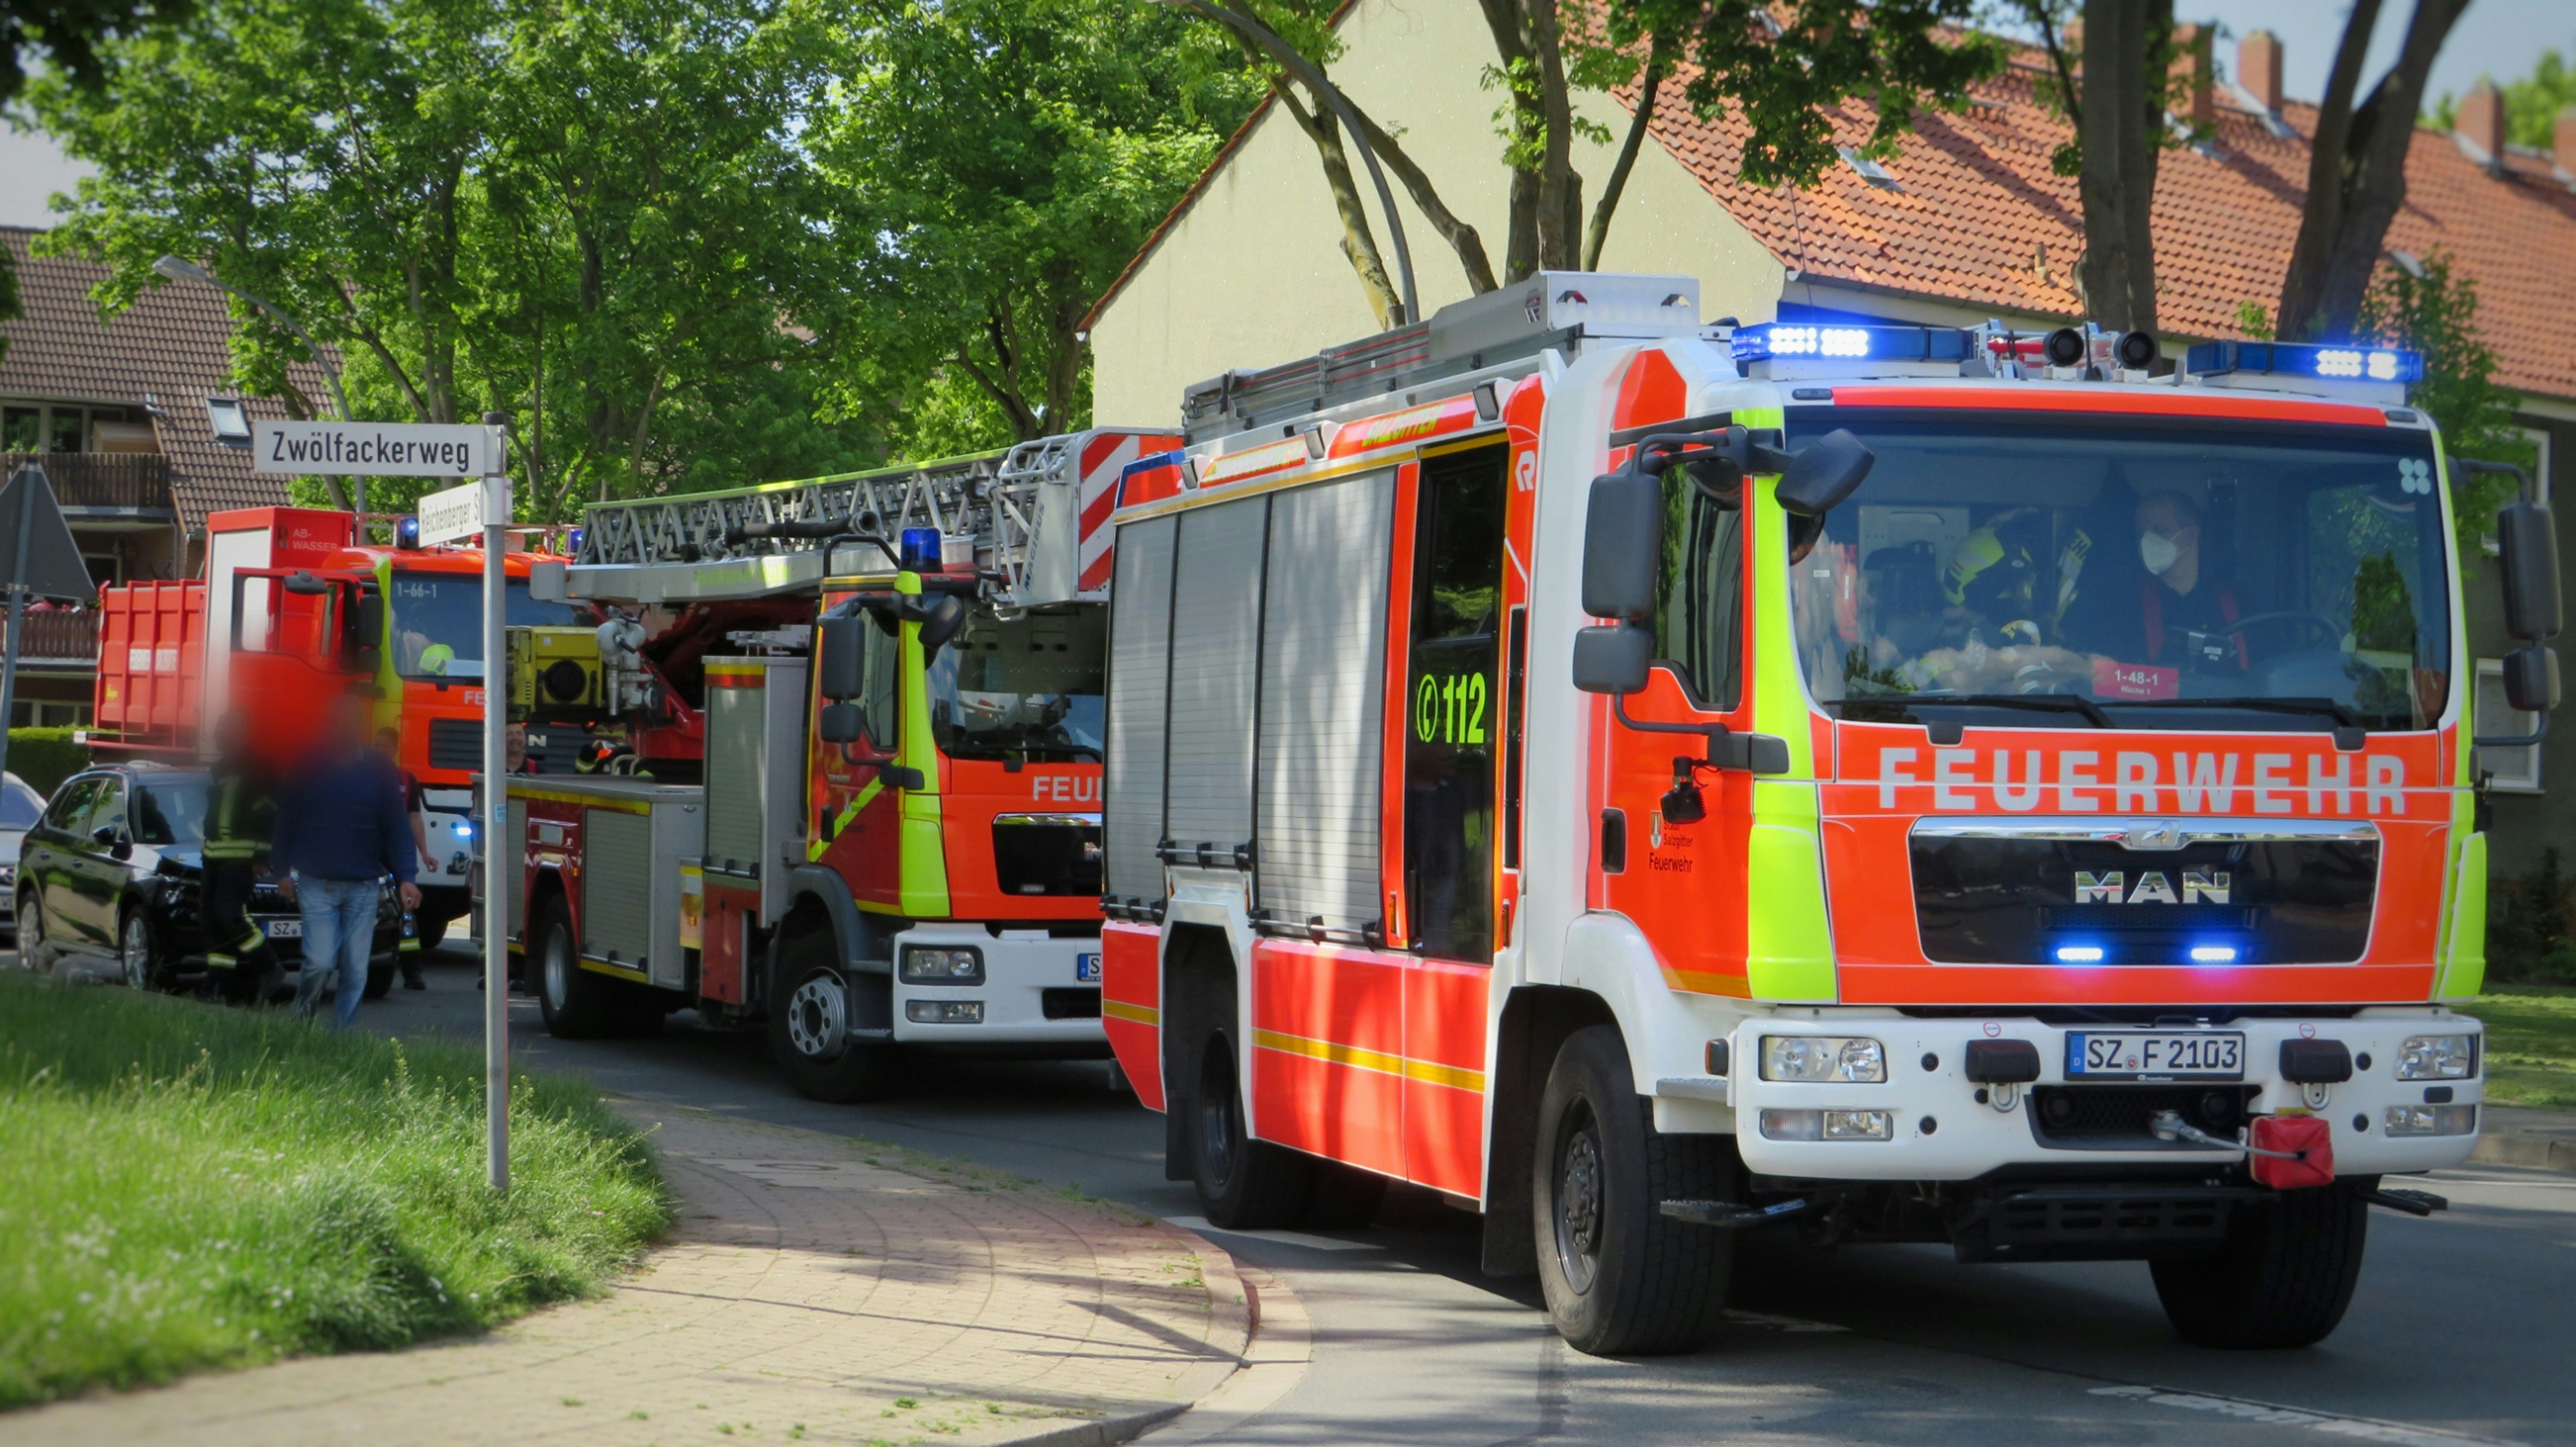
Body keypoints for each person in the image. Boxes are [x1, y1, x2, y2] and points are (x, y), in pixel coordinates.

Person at [272, 693, 419, 1026]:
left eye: (353, 720)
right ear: (328, 724)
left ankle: (343, 1037)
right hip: (317, 884)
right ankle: (302, 1020)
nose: (346, 726)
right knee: (321, 963)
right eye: (339, 720)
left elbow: (397, 825)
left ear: (361, 725)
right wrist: (281, 870)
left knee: (356, 969)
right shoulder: (307, 764)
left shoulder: (380, 768)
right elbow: (286, 818)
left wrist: (407, 876)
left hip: (364, 887)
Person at [200, 711, 282, 1005]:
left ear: (240, 733)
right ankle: (217, 986)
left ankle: (270, 967)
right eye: (219, 730)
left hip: (242, 858)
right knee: (212, 920)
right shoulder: (220, 767)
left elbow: (269, 815)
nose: (220, 736)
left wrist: (261, 856)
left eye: (227, 731)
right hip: (214, 856)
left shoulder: (261, 767)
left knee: (229, 915)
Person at [374, 725, 432, 991]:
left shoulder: (408, 780)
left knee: (407, 914)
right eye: (377, 745)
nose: (381, 750)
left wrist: (424, 852)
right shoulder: (363, 777)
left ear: (395, 749)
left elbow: (415, 818)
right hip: (369, 857)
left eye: (386, 745)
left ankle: (412, 973)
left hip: (397, 859)